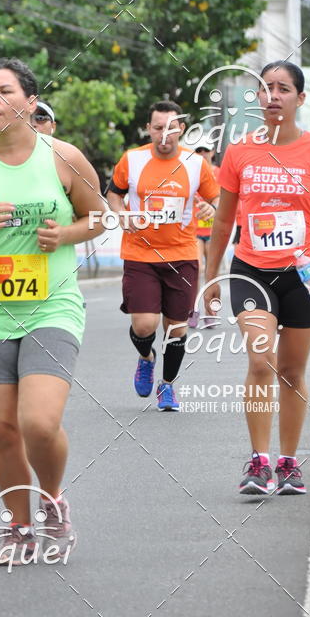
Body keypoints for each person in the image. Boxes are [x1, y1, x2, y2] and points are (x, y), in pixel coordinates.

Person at [0, 58, 103, 565]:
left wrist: (66, 234)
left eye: (3, 91)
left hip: (52, 305)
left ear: (30, 103)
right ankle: (18, 526)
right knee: (4, 429)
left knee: (38, 421)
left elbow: (99, 217)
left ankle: (52, 500)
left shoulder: (64, 157)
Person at [204, 61, 310, 495]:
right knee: (259, 362)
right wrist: (211, 278)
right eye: (266, 88)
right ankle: (259, 460)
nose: (273, 96)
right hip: (251, 271)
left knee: (292, 370)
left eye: (283, 89)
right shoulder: (240, 151)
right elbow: (222, 220)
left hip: (304, 275)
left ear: (299, 99)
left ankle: (289, 462)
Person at [107, 101, 220, 411]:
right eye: (158, 128)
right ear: (149, 129)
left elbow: (218, 197)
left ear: (181, 129)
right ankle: (146, 358)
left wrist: (213, 206)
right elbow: (114, 193)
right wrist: (119, 213)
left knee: (177, 329)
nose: (164, 135)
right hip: (140, 252)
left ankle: (167, 386)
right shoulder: (132, 160)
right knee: (144, 325)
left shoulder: (196, 164)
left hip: (182, 254)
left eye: (171, 128)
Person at [190, 141, 220, 328]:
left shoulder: (220, 172)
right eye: (198, 150)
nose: (202, 153)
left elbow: (225, 197)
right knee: (195, 270)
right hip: (194, 230)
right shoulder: (189, 172)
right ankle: (192, 310)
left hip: (215, 231)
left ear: (212, 152)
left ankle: (211, 311)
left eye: (205, 150)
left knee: (212, 274)